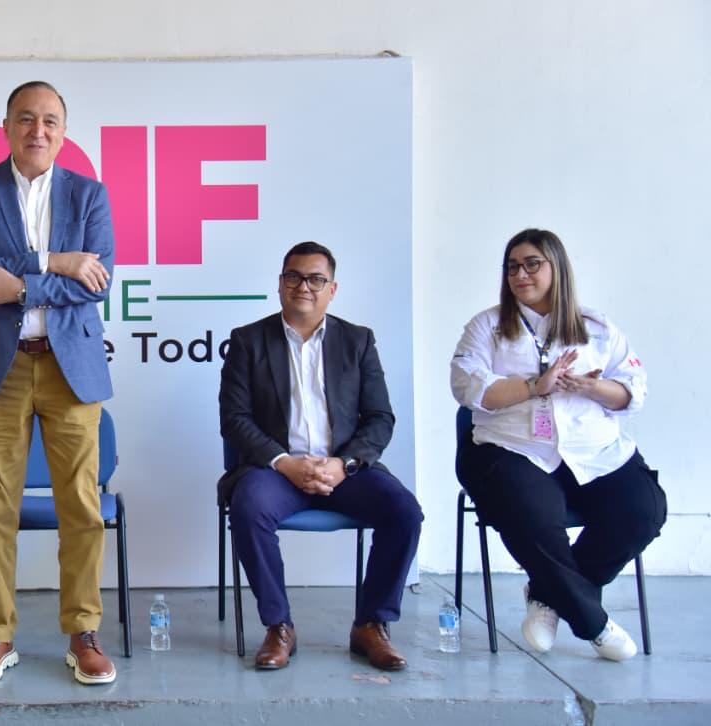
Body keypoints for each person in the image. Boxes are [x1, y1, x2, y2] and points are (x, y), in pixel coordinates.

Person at [0, 81, 116, 685]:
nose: (36, 130)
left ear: (63, 132)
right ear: (6, 127)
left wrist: (19, 284)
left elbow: (98, 281)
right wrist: (55, 262)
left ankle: (83, 633)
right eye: (25, 119)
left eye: (49, 120)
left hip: (72, 367)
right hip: (1, 367)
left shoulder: (89, 195)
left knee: (81, 506)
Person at [451, 228, 665, 661]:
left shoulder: (597, 327)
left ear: (557, 268)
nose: (520, 275)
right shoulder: (487, 326)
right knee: (533, 512)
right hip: (513, 447)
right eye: (512, 267)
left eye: (532, 264)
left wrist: (592, 387)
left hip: (593, 448)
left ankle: (547, 595)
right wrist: (535, 386)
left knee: (643, 510)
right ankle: (594, 624)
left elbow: (633, 391)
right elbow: (467, 387)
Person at [219, 241, 423, 671]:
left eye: (316, 279)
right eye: (294, 277)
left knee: (404, 511)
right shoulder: (248, 341)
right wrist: (285, 463)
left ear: (332, 289)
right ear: (280, 284)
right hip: (276, 471)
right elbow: (234, 419)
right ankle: (279, 627)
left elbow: (380, 417)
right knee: (249, 506)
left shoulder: (358, 341)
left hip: (344, 470)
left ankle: (371, 625)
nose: (304, 287)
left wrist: (343, 464)